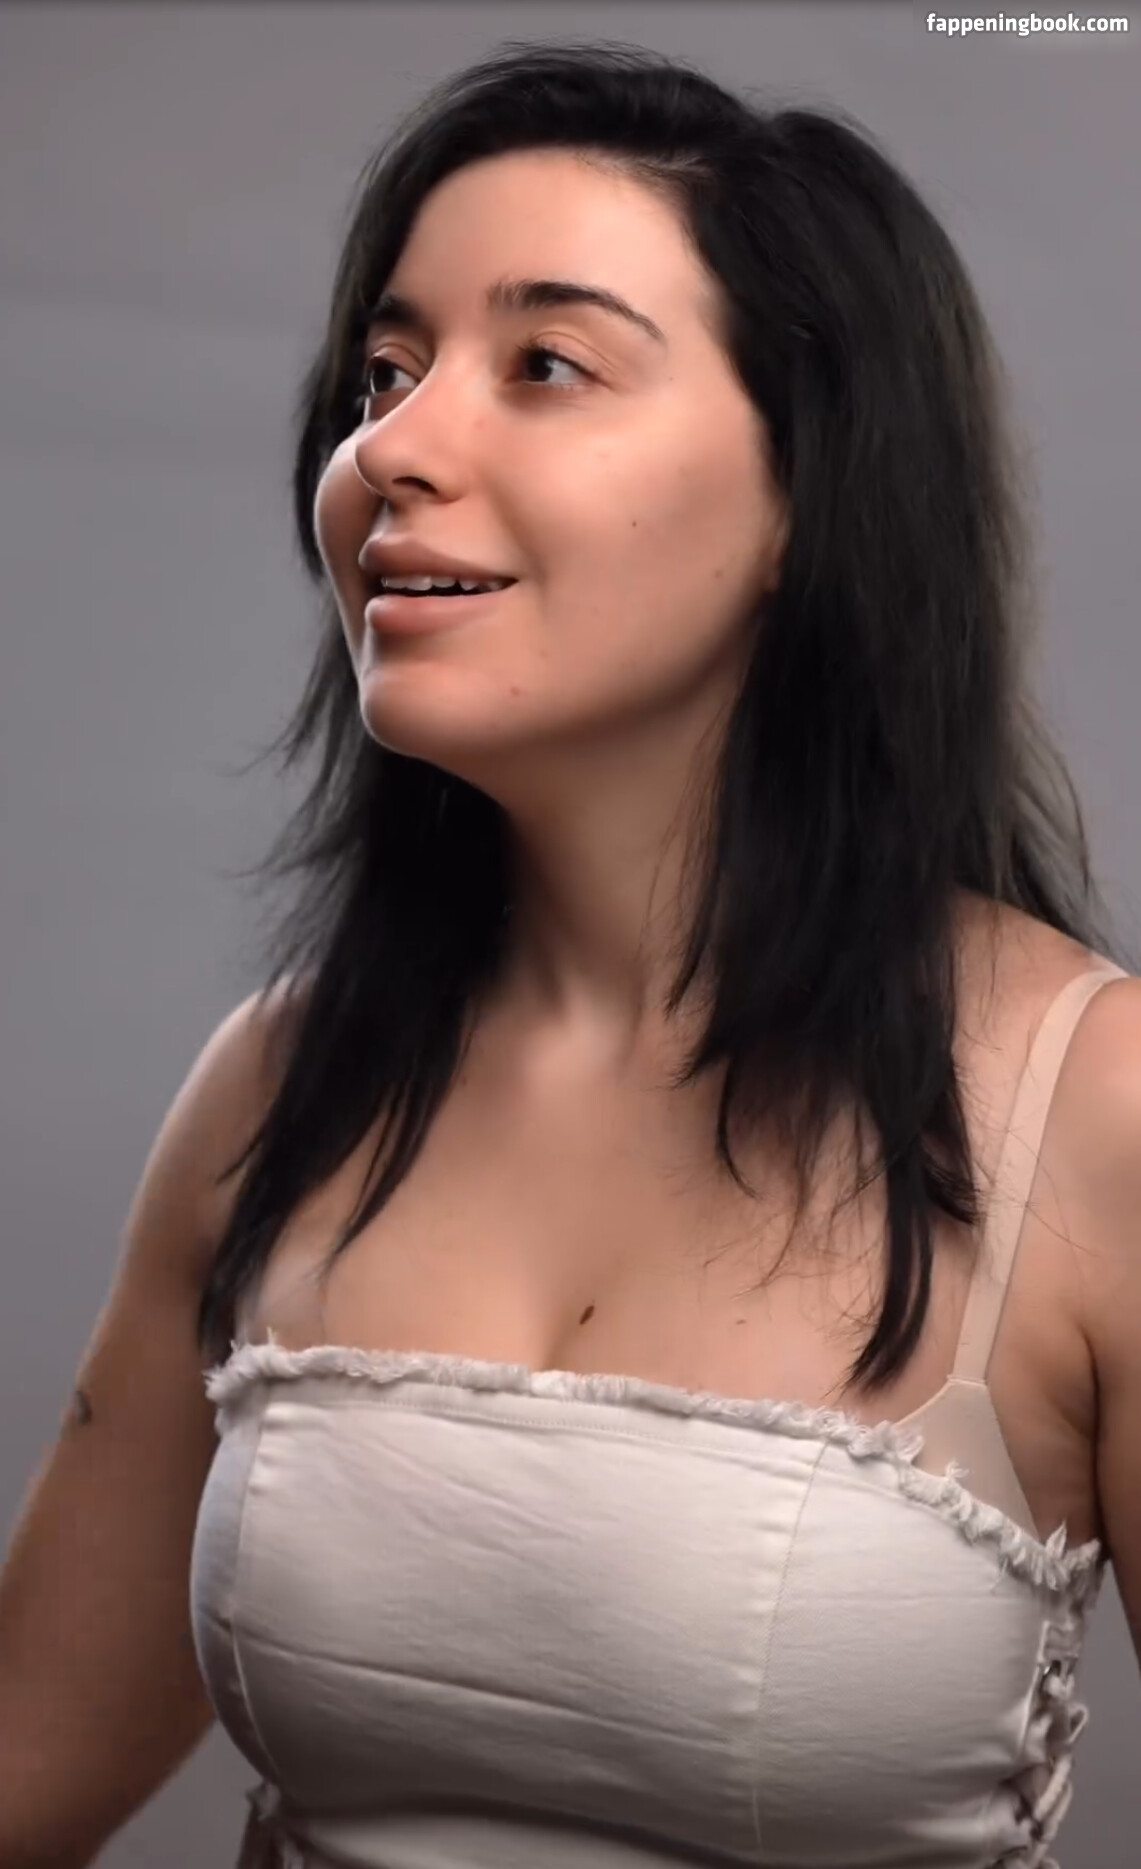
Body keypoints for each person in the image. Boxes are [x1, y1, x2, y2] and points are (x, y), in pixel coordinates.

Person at [2, 36, 1139, 1869]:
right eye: (386, 373)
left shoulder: (1093, 1112)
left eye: (544, 365)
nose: (389, 448)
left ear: (808, 492)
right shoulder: (284, 1086)